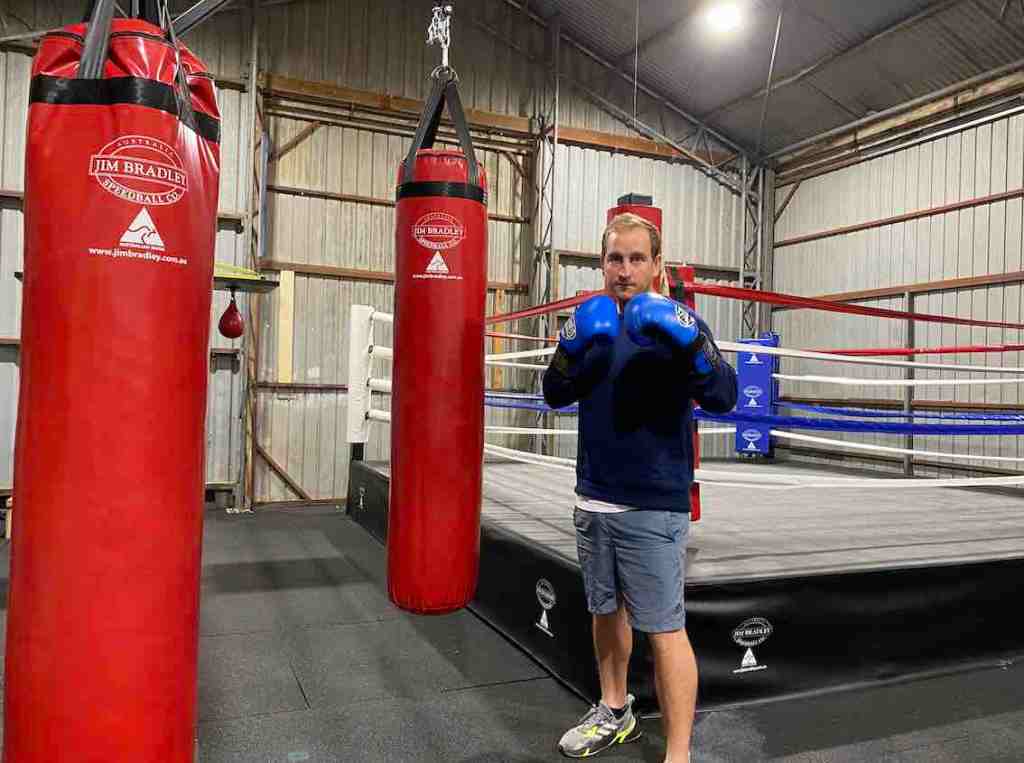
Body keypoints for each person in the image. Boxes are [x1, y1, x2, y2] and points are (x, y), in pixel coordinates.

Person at [543, 213, 738, 762]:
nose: (624, 271)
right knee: (605, 612)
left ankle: (678, 755)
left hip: (653, 504)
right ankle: (615, 708)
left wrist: (693, 340)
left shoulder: (676, 327)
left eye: (635, 259)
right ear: (602, 264)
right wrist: (568, 346)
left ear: (656, 265)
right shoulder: (592, 325)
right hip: (593, 496)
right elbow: (554, 392)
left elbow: (725, 395)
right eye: (614, 259)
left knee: (665, 629)